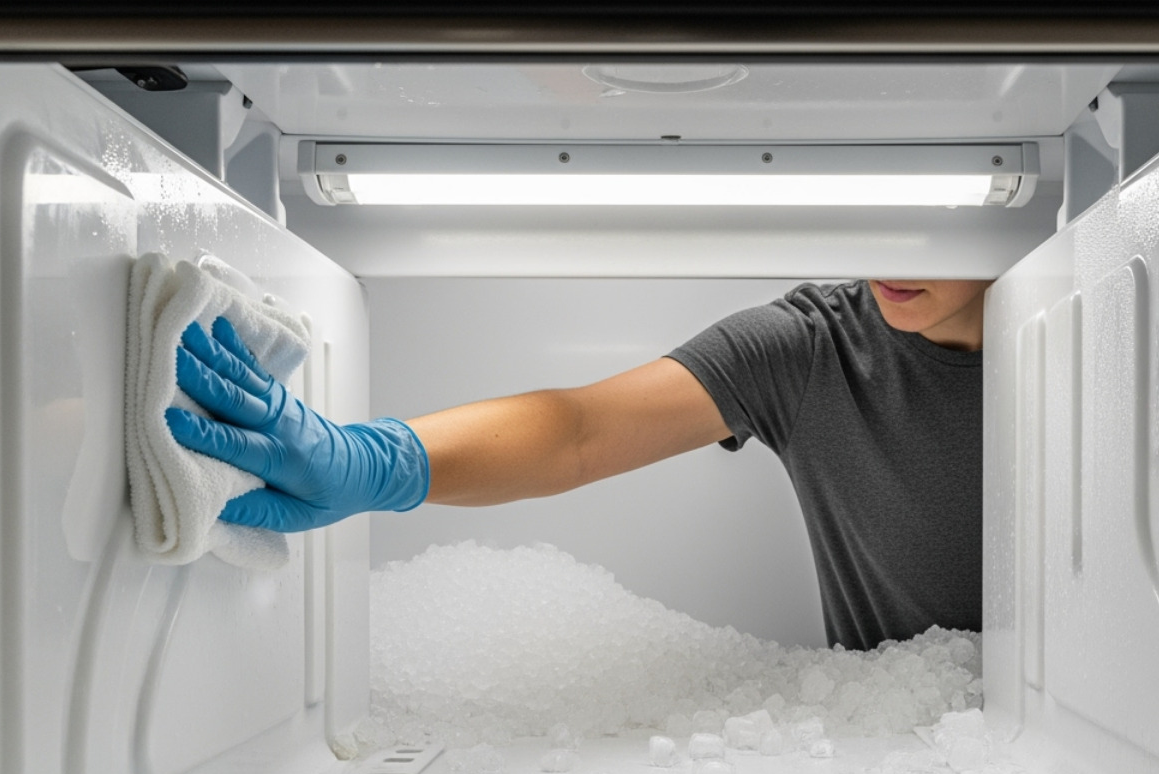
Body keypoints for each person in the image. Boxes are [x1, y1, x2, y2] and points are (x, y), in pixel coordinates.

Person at [165, 278, 989, 651]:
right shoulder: (815, 347)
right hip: (904, 761)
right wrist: (374, 460)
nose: (897, 250)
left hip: (1084, 762)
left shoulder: (1096, 340)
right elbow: (579, 429)